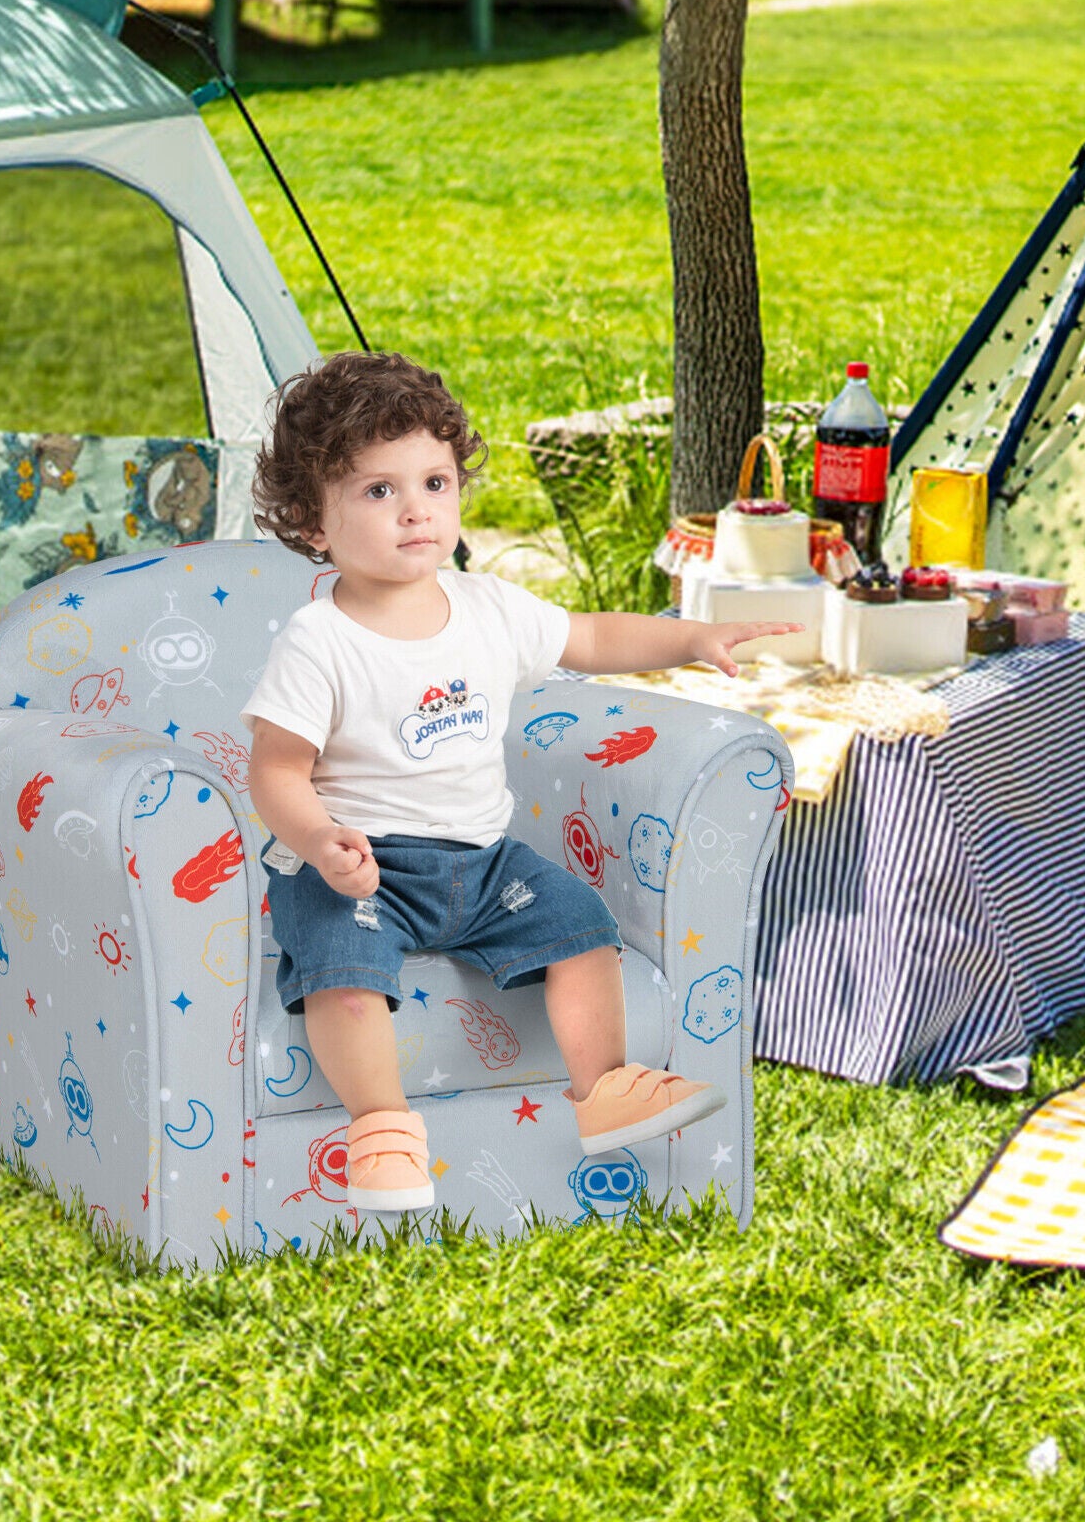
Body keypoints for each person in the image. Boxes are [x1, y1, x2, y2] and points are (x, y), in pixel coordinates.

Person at [244, 351, 797, 1212]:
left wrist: (688, 639)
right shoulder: (319, 641)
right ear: (313, 524)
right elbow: (275, 770)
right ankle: (382, 1128)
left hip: (481, 864)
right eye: (377, 492)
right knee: (339, 966)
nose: (415, 510)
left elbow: (594, 640)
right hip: (364, 866)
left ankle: (605, 1088)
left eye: (433, 481)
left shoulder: (487, 608)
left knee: (580, 923)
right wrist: (319, 841)